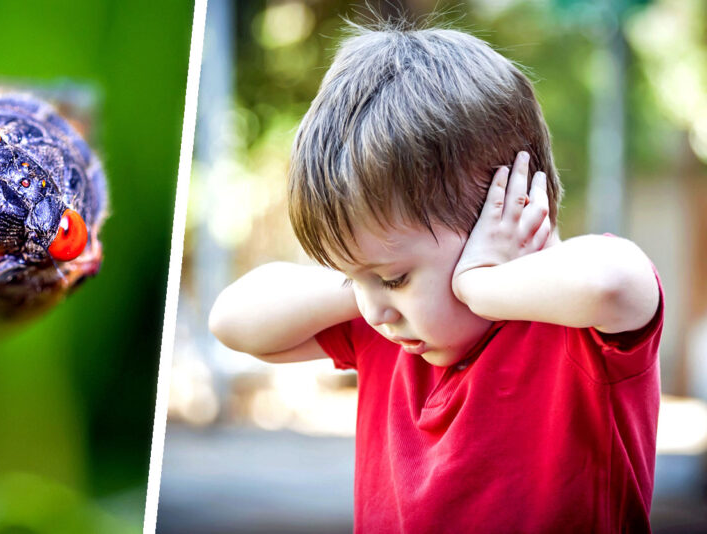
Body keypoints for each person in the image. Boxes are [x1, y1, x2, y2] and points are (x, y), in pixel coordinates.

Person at [209, 22, 663, 533]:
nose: (376, 310)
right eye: (355, 278)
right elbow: (232, 320)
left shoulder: (578, 331)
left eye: (397, 277)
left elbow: (617, 282)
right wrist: (368, 277)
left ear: (506, 210)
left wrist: (479, 284)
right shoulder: (392, 330)